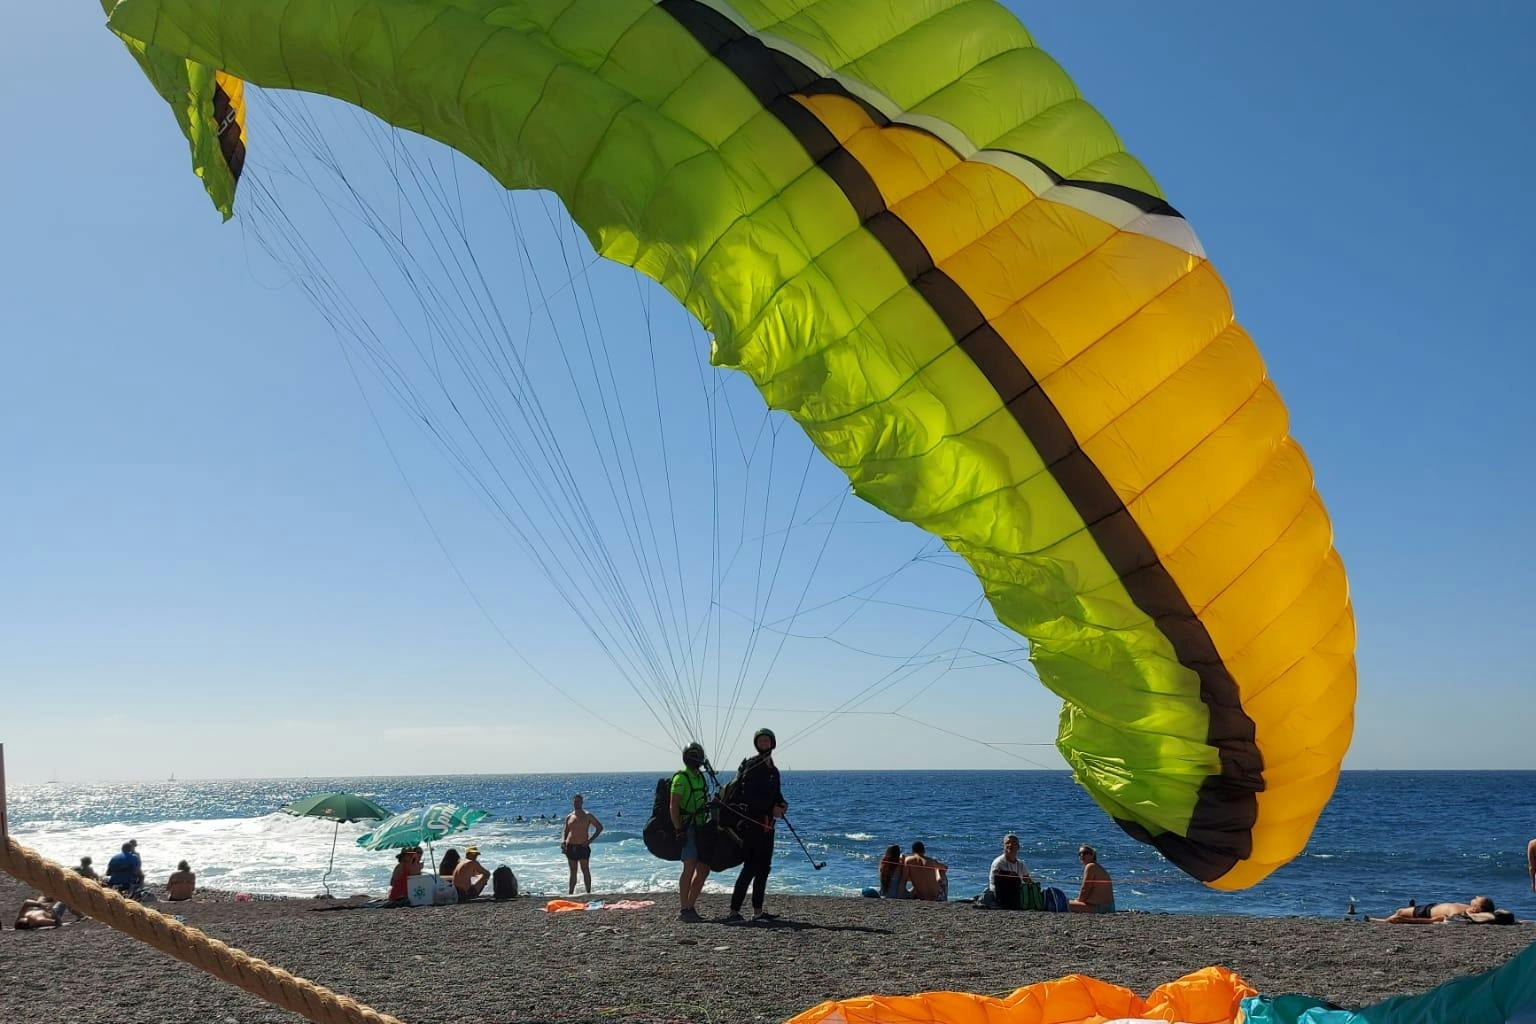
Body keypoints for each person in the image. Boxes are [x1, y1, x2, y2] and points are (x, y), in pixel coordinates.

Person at [725, 727, 788, 924]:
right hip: (752, 824)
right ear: (756, 744)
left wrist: (782, 805)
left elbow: (776, 794)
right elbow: (750, 797)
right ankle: (734, 911)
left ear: (772, 743)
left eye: (766, 741)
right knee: (750, 867)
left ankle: (758, 912)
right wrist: (771, 809)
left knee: (764, 868)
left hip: (768, 826)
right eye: (760, 741)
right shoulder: (752, 766)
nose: (763, 744)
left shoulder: (774, 770)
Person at [670, 742, 712, 922]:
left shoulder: (701, 778)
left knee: (703, 868)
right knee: (689, 865)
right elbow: (673, 806)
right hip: (687, 827)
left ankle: (690, 906)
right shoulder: (681, 778)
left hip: (702, 826)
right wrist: (679, 829)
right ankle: (684, 909)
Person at [561, 794, 604, 895]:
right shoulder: (569, 816)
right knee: (573, 871)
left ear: (582, 803)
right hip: (570, 846)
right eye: (575, 802)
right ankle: (570, 893)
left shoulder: (588, 815)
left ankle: (588, 892)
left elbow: (599, 827)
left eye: (578, 802)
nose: (577, 803)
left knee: (585, 870)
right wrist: (563, 841)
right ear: (573, 803)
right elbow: (565, 830)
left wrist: (590, 841)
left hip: (582, 847)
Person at [988, 834, 1032, 910]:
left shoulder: (1021, 864)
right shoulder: (999, 862)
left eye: (1013, 843)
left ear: (1018, 847)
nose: (1010, 845)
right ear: (1004, 846)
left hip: (1016, 894)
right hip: (1000, 895)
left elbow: (1028, 880)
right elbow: (999, 883)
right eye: (1007, 843)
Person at [1381, 896, 1499, 924]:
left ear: (1476, 908)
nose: (1476, 897)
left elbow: (1433, 920)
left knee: (1400, 911)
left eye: (1477, 899)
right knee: (1405, 909)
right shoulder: (1467, 908)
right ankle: (1385, 920)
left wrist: (1406, 920)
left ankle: (1383, 922)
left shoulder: (1459, 914)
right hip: (1432, 906)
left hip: (1426, 912)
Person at [1069, 845, 1115, 913]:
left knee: (1064, 904)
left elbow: (1085, 889)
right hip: (1109, 907)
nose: (1081, 855)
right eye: (1079, 854)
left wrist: (1078, 901)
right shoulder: (1097, 867)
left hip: (1099, 907)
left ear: (1092, 855)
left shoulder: (1090, 866)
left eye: (1085, 853)